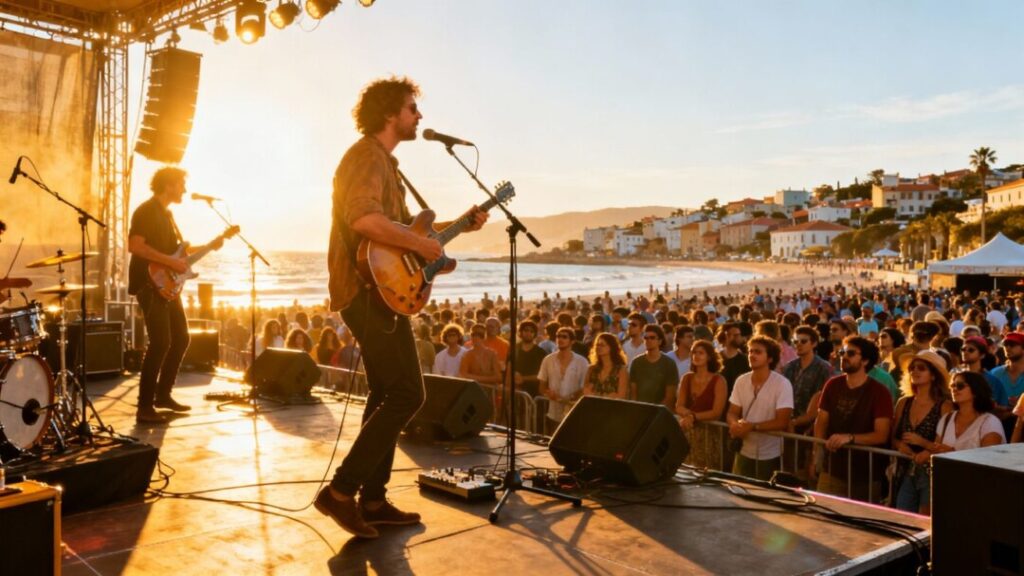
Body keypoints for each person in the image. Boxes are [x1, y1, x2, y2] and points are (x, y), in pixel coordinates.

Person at [316, 77, 488, 539]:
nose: (420, 116)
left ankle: (372, 500)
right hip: (365, 289)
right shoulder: (366, 157)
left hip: (382, 290)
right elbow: (363, 219)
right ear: (391, 112)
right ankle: (339, 492)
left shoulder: (386, 165)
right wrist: (418, 243)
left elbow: (408, 235)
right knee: (409, 395)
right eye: (414, 108)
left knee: (384, 394)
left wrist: (459, 227)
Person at [128, 166, 225, 423]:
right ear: (168, 184)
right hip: (149, 284)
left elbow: (177, 252)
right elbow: (135, 246)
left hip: (167, 287)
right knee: (160, 343)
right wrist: (170, 264)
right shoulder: (146, 210)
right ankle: (144, 408)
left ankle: (163, 395)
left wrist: (210, 246)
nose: (184, 189)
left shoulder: (168, 215)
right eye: (181, 183)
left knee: (181, 338)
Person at [812, 336, 894, 501]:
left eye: (851, 353)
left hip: (866, 473)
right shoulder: (832, 385)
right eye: (842, 352)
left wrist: (849, 438)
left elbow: (881, 434)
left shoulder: (880, 392)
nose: (844, 356)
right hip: (832, 468)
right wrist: (817, 455)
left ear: (865, 361)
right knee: (824, 517)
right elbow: (821, 422)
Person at [891, 350, 953, 515]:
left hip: (932, 474)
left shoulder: (945, 406)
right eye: (912, 368)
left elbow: (947, 445)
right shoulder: (903, 402)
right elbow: (892, 437)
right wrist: (900, 446)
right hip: (905, 471)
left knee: (926, 524)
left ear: (933, 375)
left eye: (921, 368)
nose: (915, 371)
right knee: (902, 517)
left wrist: (924, 446)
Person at [726, 336, 793, 481]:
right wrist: (734, 425)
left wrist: (751, 427)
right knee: (739, 493)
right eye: (750, 351)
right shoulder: (741, 380)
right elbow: (732, 412)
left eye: (758, 352)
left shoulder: (782, 384)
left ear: (770, 358)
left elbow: (782, 421)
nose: (752, 355)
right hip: (744, 450)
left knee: (766, 498)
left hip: (770, 454)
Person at [923, 370, 1005, 454]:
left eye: (960, 386)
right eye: (952, 386)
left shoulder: (990, 422)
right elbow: (936, 450)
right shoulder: (947, 419)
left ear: (976, 390)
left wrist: (953, 453)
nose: (954, 389)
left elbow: (989, 459)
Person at [676, 340, 727, 469]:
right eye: (694, 353)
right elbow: (679, 406)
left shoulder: (719, 380)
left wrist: (693, 417)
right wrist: (688, 415)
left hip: (709, 435)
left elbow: (716, 412)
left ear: (709, 357)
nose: (696, 356)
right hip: (687, 432)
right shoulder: (687, 378)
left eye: (701, 353)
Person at [782, 325, 833, 435]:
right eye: (795, 341)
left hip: (811, 429)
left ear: (814, 343)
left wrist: (795, 422)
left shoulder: (823, 368)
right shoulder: (789, 367)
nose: (798, 344)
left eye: (803, 341)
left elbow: (821, 401)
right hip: (787, 425)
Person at [538, 327, 589, 433]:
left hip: (574, 412)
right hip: (553, 412)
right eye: (558, 336)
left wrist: (569, 398)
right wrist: (548, 393)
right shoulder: (548, 360)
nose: (560, 339)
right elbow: (542, 385)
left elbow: (585, 387)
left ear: (572, 341)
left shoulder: (582, 362)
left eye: (564, 337)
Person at [628, 324, 678, 408]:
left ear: (660, 341)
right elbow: (633, 394)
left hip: (660, 412)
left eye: (652, 338)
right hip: (639, 411)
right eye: (646, 338)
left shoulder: (669, 364)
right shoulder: (636, 362)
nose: (648, 340)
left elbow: (670, 397)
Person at [583, 332, 628, 399]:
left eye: (602, 345)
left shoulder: (621, 370)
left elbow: (621, 396)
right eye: (597, 345)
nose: (598, 347)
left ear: (611, 347)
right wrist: (608, 396)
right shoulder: (591, 369)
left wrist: (595, 395)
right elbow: (586, 393)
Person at [511, 320, 547, 398]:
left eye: (532, 331)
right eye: (526, 330)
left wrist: (523, 378)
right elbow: (507, 367)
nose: (528, 333)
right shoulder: (513, 349)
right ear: (520, 332)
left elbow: (542, 375)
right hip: (515, 391)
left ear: (535, 334)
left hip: (533, 393)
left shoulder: (541, 352)